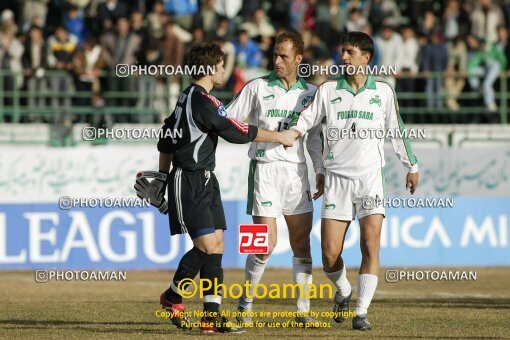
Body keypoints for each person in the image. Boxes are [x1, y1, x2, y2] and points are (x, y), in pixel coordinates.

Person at [135, 42, 297, 334]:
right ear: (210, 69)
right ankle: (172, 296)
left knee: (217, 245)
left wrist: (161, 176)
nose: (224, 69)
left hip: (206, 179)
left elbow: (165, 142)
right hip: (190, 179)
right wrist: (279, 137)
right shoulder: (201, 100)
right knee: (207, 246)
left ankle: (209, 316)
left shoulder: (190, 98)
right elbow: (236, 130)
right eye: (221, 65)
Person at [289, 32, 419, 330]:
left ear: (366, 57)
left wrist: (411, 165)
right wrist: (292, 134)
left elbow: (396, 131)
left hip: (370, 180)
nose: (343, 57)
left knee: (370, 245)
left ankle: (361, 312)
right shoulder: (328, 91)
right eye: (342, 51)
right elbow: (307, 121)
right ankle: (344, 289)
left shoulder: (384, 92)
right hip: (337, 181)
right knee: (329, 254)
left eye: (349, 52)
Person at [225, 31, 324, 327]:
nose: (278, 61)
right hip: (265, 169)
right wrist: (261, 136)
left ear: (298, 59)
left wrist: (319, 169)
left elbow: (315, 138)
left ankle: (303, 311)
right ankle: (245, 305)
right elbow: (229, 121)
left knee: (302, 245)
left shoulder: (310, 94)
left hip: (297, 174)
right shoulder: (257, 87)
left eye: (284, 56)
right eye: (275, 55)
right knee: (263, 245)